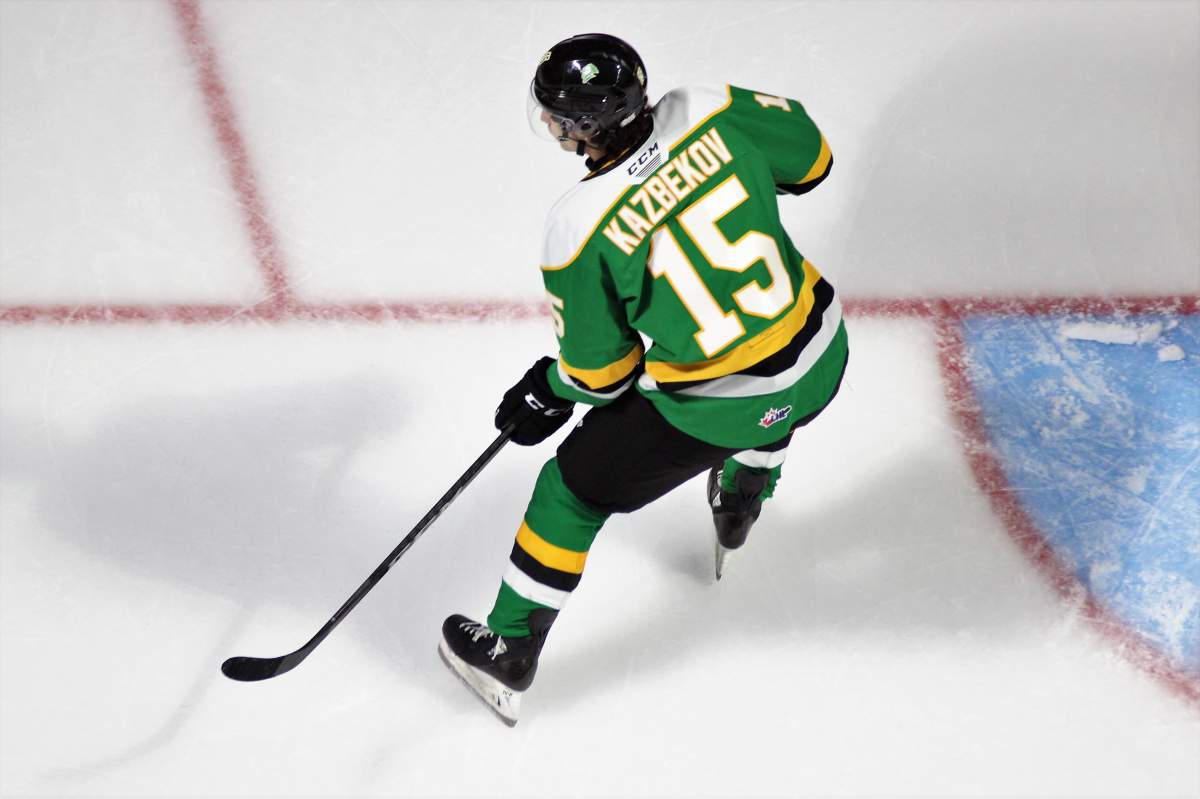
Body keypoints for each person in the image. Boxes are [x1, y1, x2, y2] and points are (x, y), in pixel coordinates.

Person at [437, 33, 847, 726]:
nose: (549, 125)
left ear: (581, 126)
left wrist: (548, 388)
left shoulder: (577, 223)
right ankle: (743, 497)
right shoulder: (707, 106)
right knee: (774, 392)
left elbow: (603, 373)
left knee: (569, 491)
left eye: (557, 116)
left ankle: (509, 645)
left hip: (731, 405)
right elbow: (813, 162)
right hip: (825, 354)